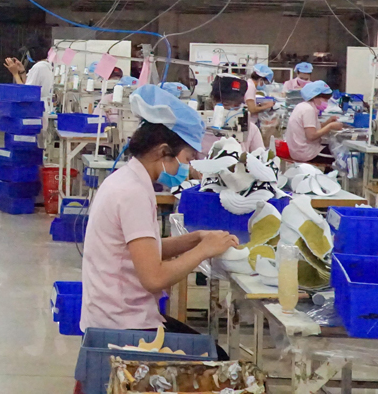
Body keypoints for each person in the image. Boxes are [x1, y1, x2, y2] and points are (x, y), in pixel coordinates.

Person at [81, 85, 237, 355]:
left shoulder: (126, 180)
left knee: (210, 349)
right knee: (218, 358)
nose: (187, 169)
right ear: (164, 151)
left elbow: (141, 251)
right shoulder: (132, 193)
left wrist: (194, 239)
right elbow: (153, 277)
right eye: (187, 159)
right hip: (123, 325)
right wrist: (203, 251)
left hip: (114, 312)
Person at [284, 80, 344, 165]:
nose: (326, 103)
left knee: (335, 149)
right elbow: (311, 136)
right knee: (340, 156)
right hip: (306, 153)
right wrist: (330, 126)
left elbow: (311, 127)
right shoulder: (308, 110)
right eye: (325, 99)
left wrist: (327, 122)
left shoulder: (302, 106)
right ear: (315, 97)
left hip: (298, 151)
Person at [202, 75, 264, 154]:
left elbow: (261, 158)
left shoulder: (252, 130)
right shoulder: (200, 129)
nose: (232, 109)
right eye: (226, 104)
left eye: (237, 105)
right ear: (213, 101)